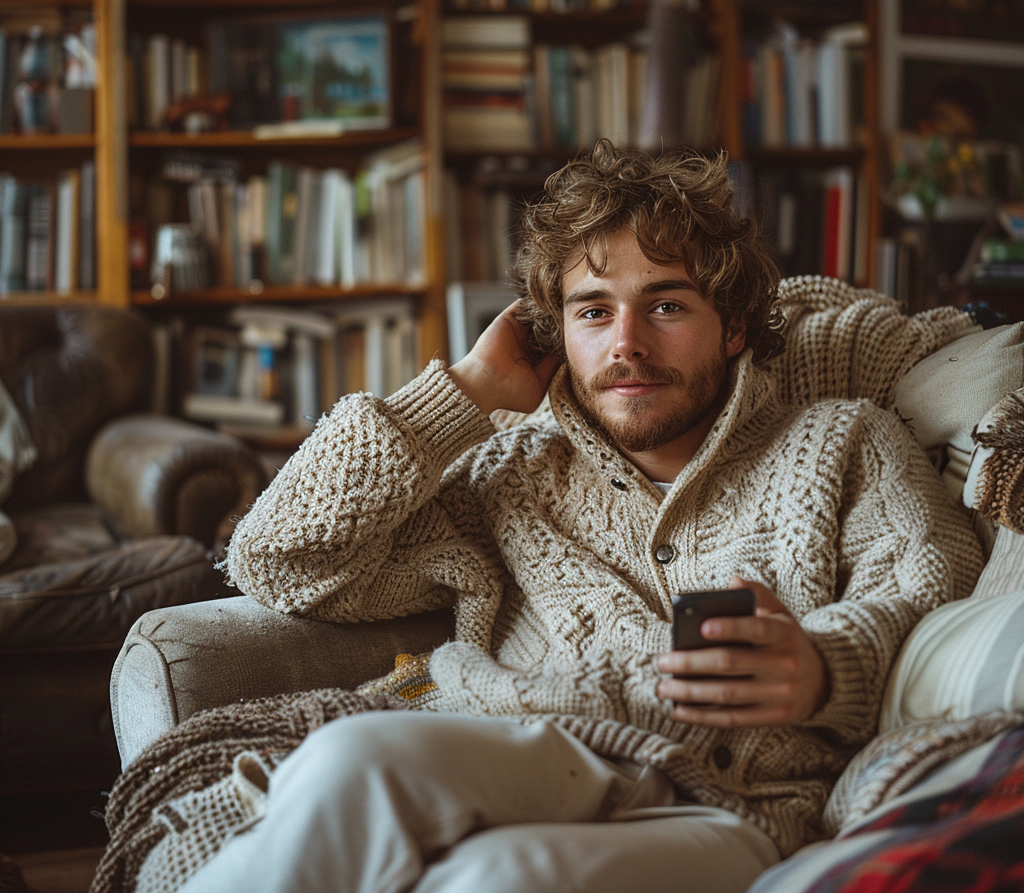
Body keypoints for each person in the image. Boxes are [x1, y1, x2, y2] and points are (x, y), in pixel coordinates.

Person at [180, 142, 983, 893]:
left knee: (497, 881)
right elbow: (278, 559)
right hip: (542, 748)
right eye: (593, 312)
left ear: (733, 325)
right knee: (345, 763)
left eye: (665, 305)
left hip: (736, 801)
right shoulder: (508, 475)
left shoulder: (843, 442)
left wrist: (821, 668)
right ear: (554, 333)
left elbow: (928, 596)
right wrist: (461, 394)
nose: (625, 343)